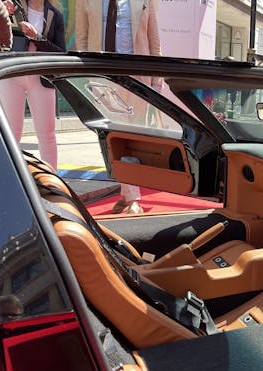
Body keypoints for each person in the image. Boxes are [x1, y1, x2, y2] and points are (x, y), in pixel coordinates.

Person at [76, 0, 163, 214]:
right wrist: (85, 75)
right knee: (114, 135)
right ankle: (132, 197)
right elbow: (82, 39)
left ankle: (128, 195)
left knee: (132, 137)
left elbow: (154, 39)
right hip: (103, 76)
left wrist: (157, 80)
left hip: (137, 73)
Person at [0, 0, 65, 171]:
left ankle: (53, 183)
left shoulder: (55, 15)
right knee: (11, 133)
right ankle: (10, 179)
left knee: (47, 134)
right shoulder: (13, 6)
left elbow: (61, 52)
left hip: (42, 76)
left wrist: (38, 38)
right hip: (12, 73)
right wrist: (3, 13)